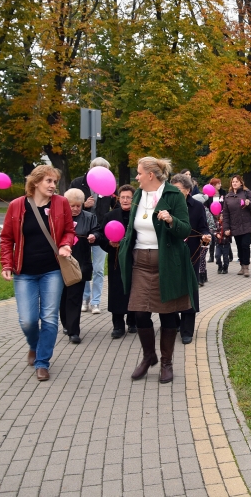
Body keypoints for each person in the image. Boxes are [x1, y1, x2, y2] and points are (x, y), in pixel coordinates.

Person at [119, 156, 198, 384]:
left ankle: (166, 363)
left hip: (167, 262)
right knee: (140, 312)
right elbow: (131, 226)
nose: (136, 177)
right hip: (140, 263)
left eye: (139, 173)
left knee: (167, 314)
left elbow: (185, 230)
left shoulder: (173, 195)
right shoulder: (137, 195)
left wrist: (171, 220)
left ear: (151, 175)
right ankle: (148, 356)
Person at [0, 166, 75, 382]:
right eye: (48, 181)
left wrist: (65, 245)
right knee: (28, 320)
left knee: (49, 318)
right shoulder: (16, 206)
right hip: (25, 272)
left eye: (55, 182)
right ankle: (34, 345)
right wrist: (7, 264)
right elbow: (6, 238)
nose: (53, 186)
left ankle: (42, 362)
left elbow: (69, 230)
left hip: (52, 270)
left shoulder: (61, 204)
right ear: (35, 183)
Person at [69, 158, 115, 315]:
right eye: (98, 169)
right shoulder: (77, 183)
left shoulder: (109, 185)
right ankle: (84, 298)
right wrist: (83, 205)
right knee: (82, 267)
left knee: (98, 269)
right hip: (80, 232)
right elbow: (67, 204)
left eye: (105, 170)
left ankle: (95, 302)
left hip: (100, 232)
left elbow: (114, 207)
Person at [170, 173, 210, 345]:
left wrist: (207, 237)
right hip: (170, 255)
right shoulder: (167, 206)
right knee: (171, 290)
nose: (174, 193)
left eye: (178, 189)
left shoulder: (197, 207)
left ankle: (187, 329)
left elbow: (204, 229)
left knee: (189, 291)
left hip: (191, 255)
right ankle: (174, 322)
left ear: (187, 190)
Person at [98, 185, 136, 339]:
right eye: (123, 197)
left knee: (135, 290)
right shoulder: (110, 216)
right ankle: (118, 325)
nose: (125, 200)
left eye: (128, 197)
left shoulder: (139, 216)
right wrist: (109, 243)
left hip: (135, 258)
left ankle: (133, 321)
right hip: (116, 259)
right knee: (117, 291)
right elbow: (101, 235)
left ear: (134, 200)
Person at [62, 189, 100, 344]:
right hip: (61, 262)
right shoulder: (60, 217)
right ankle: (66, 323)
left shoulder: (90, 217)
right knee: (63, 296)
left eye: (78, 206)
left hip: (80, 263)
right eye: (72, 206)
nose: (76, 209)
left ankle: (73, 331)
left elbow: (98, 231)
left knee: (75, 297)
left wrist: (94, 236)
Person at [222, 176, 251, 277]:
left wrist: (249, 203)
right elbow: (226, 214)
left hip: (246, 225)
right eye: (233, 182)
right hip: (235, 226)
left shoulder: (246, 192)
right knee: (239, 247)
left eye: (236, 182)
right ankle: (242, 266)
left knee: (245, 245)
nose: (234, 183)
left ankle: (246, 267)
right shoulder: (228, 197)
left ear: (241, 183)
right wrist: (226, 228)